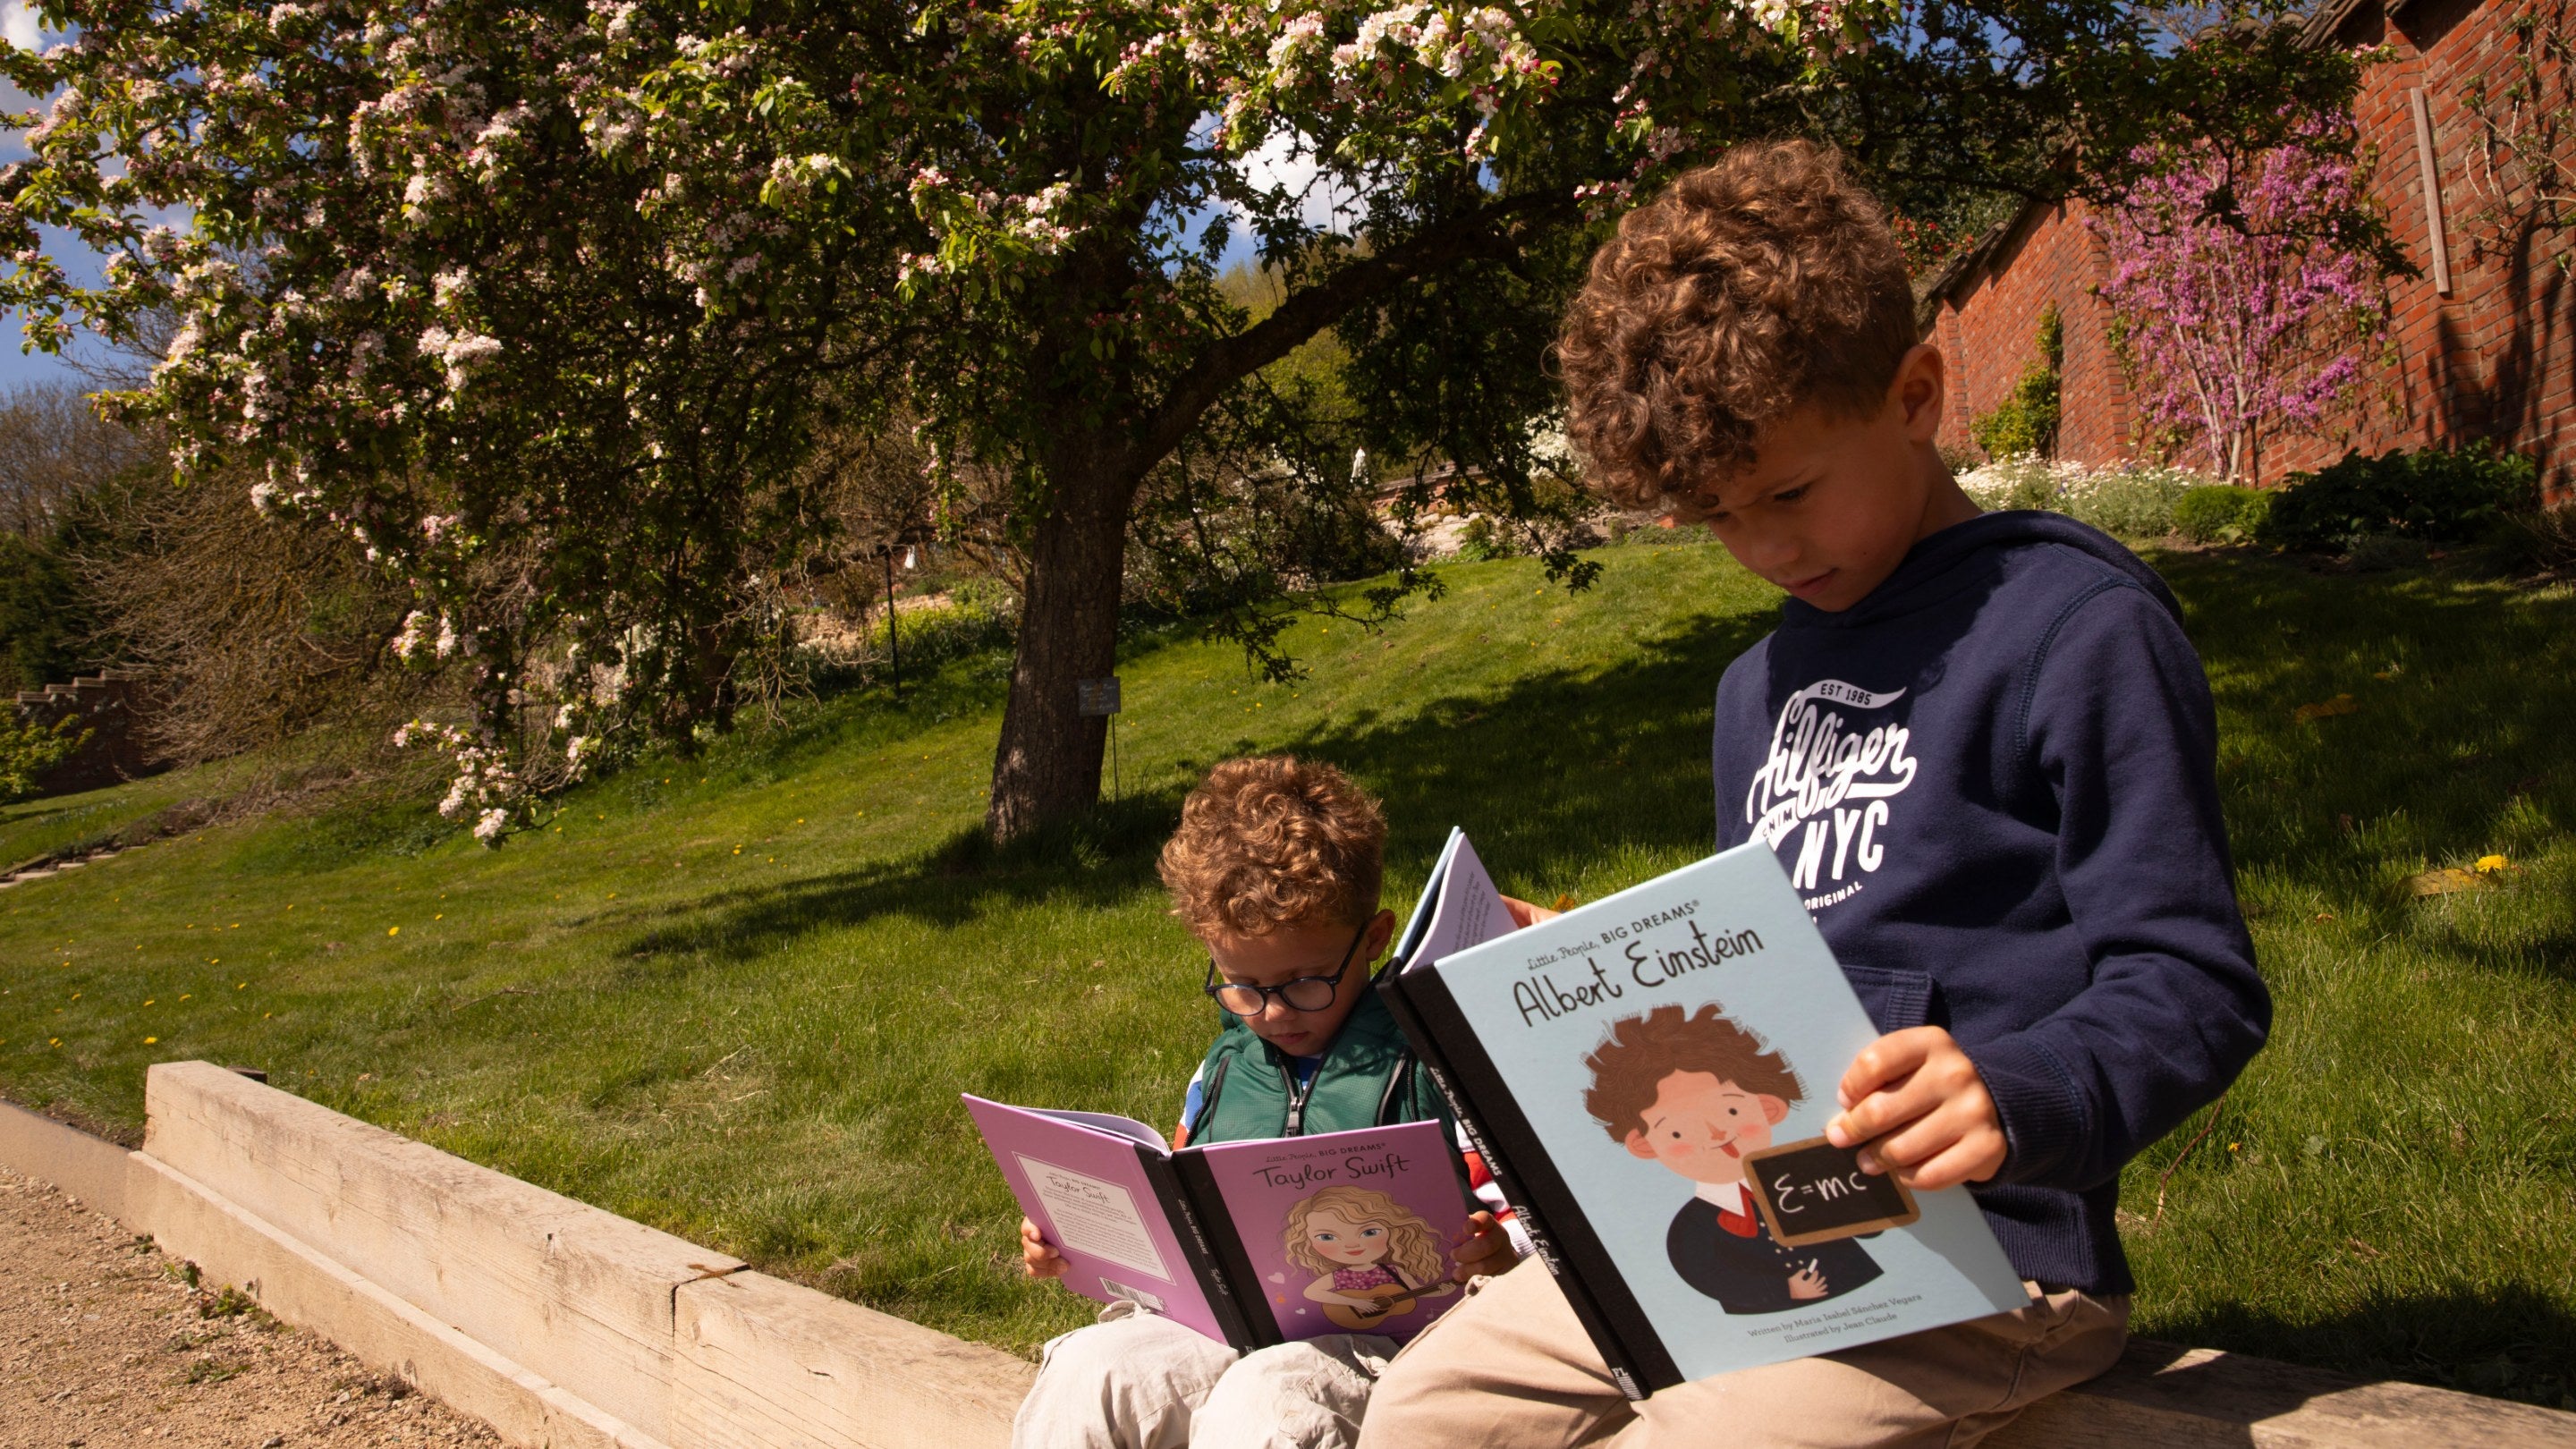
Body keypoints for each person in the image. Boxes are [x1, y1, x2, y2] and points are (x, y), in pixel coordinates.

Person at [1356, 139, 2270, 1449]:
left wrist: (2017, 1094)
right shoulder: (1758, 686)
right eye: (1722, 521)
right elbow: (1768, 972)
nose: (1769, 549)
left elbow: (2194, 980)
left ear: (1913, 395)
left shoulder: (2074, 627)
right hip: (1746, 1215)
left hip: (1985, 1261)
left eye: (1789, 492)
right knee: (1425, 1409)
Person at [1013, 755, 1523, 1449]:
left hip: (1381, 1339)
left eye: (1305, 982)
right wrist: (1073, 1238)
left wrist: (1496, 1249)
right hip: (1217, 1325)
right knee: (1094, 1371)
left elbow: (1520, 1219)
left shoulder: (1428, 1057)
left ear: (1373, 939)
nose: (1274, 1012)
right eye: (1242, 986)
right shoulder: (1227, 1065)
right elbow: (1179, 1206)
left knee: (1269, 1406)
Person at [1584, 1004, 1882, 1314]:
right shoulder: (1690, 1229)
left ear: (1768, 1107)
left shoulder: (1807, 1177)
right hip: (1762, 1323)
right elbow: (1708, 1276)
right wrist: (1783, 1289)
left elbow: (1871, 1228)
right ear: (1644, 1145)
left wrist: (1843, 1166)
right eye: (1677, 1133)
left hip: (1869, 1296)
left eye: (1732, 1111)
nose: (1716, 1134)